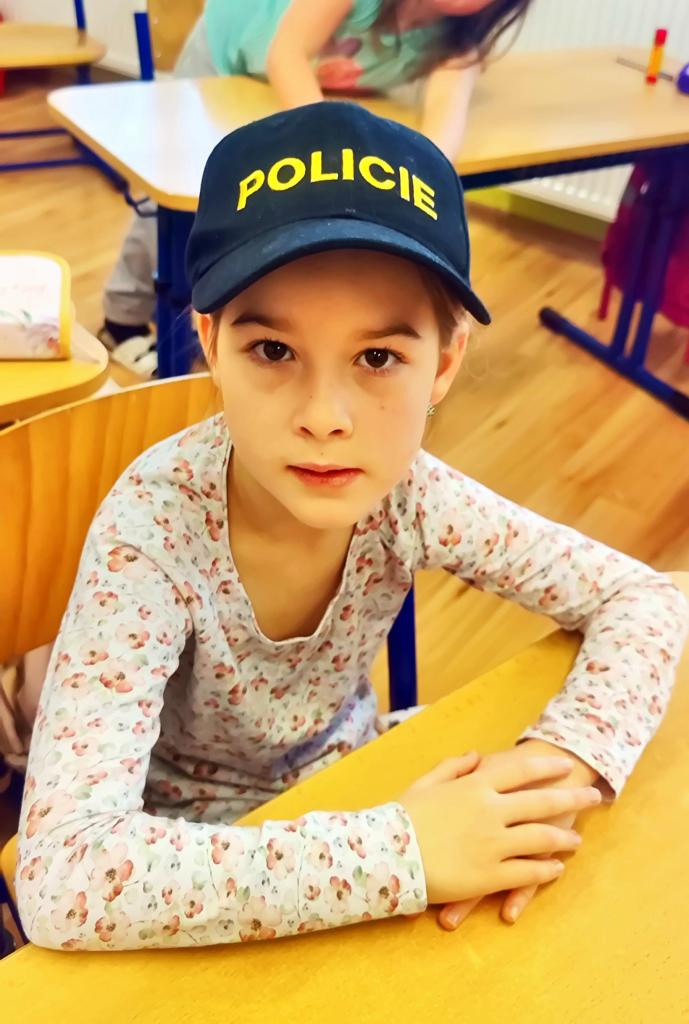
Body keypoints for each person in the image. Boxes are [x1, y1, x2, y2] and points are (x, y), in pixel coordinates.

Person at [17, 102, 689, 951]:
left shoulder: (410, 495)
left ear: (443, 364)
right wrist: (406, 850)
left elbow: (646, 597)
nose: (324, 417)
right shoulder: (154, 528)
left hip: (352, 788)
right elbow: (65, 875)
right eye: (273, 350)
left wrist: (561, 769)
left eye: (377, 357)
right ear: (211, 343)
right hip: (181, 858)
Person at [100, 0, 533, 375]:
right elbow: (285, 55)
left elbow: (441, 135)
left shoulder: (460, 43)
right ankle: (122, 318)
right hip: (224, 61)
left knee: (258, 210)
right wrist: (332, 158)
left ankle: (228, 325)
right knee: (177, 194)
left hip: (307, 89)